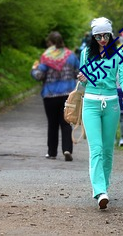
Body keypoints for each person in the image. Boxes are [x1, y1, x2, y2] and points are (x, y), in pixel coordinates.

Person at [77, 17, 123, 209]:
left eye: (105, 35)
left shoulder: (118, 54)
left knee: (108, 150)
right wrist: (82, 77)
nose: (102, 39)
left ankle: (104, 187)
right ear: (93, 36)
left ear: (111, 34)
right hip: (90, 103)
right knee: (96, 149)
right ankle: (99, 190)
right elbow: (83, 82)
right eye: (98, 36)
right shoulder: (85, 53)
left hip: (112, 104)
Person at [31, 31, 80, 161]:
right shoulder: (71, 56)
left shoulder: (46, 57)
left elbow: (39, 76)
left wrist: (34, 69)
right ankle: (67, 149)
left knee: (52, 124)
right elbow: (78, 72)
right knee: (66, 123)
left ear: (50, 43)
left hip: (50, 95)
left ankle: (52, 152)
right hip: (67, 95)